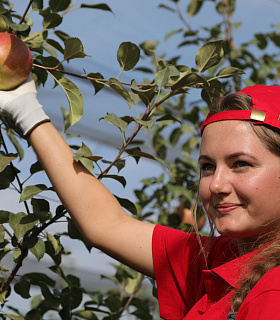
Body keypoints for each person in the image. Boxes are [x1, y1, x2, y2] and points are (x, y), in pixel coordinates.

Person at [1, 76, 280, 320]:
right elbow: (109, 225)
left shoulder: (273, 291)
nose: (215, 184)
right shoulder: (222, 260)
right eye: (207, 167)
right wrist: (26, 109)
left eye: (241, 164)